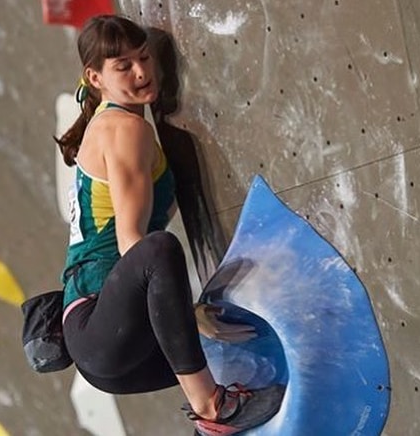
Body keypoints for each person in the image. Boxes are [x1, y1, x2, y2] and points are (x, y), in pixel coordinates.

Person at [54, 15, 284, 436]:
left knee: (250, 356)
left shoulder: (119, 124)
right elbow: (133, 245)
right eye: (123, 66)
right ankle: (211, 407)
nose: (141, 71)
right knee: (159, 249)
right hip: (98, 330)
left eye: (144, 57)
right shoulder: (124, 129)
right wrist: (189, 311)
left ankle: (207, 425)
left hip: (114, 355)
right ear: (96, 77)